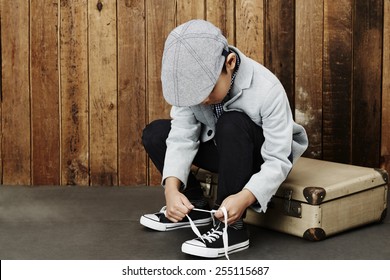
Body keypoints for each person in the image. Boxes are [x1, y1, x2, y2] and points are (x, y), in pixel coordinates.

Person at [140, 19, 308, 258]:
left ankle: (231, 228)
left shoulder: (267, 88)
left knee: (231, 122)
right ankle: (194, 208)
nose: (202, 100)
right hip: (223, 150)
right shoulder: (191, 89)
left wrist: (245, 197)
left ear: (229, 63)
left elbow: (278, 160)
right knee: (156, 133)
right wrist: (171, 189)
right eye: (195, 95)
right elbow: (181, 137)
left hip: (257, 158)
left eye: (207, 91)